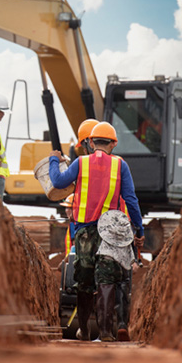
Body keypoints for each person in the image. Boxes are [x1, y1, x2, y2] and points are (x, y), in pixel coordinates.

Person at [48, 122, 144, 342]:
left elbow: (57, 181)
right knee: (107, 280)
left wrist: (54, 160)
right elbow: (130, 199)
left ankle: (84, 329)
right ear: (114, 144)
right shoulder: (121, 166)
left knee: (84, 280)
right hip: (111, 232)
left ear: (90, 142)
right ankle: (106, 332)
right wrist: (139, 228)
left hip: (85, 231)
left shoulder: (80, 163)